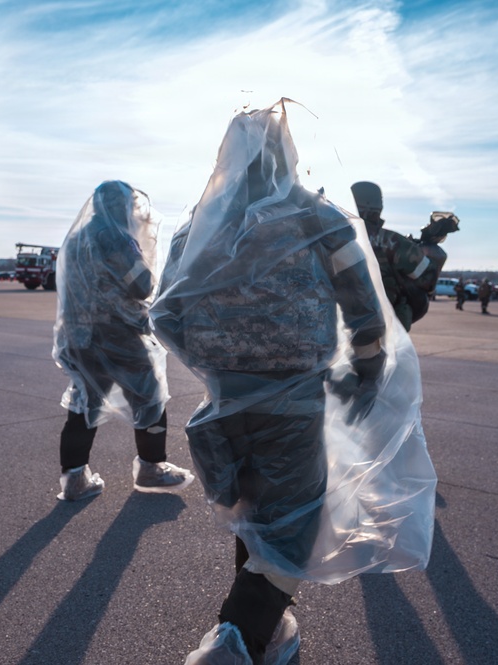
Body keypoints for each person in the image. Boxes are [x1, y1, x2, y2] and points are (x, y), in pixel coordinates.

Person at [151, 100, 436, 665]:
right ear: (288, 156)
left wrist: (217, 367)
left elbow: (164, 313)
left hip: (224, 400)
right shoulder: (317, 215)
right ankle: (234, 641)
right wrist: (365, 372)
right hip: (296, 400)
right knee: (294, 529)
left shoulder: (200, 224)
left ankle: (266, 629)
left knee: (260, 515)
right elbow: (363, 306)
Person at [52, 180, 194, 501]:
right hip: (118, 334)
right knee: (151, 399)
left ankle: (74, 479)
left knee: (84, 405)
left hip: (80, 336)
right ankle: (151, 466)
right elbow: (141, 284)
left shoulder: (77, 238)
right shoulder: (115, 237)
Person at [349, 182, 447, 332]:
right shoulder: (393, 241)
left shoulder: (327, 238)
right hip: (383, 324)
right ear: (378, 207)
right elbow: (428, 280)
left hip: (336, 322)